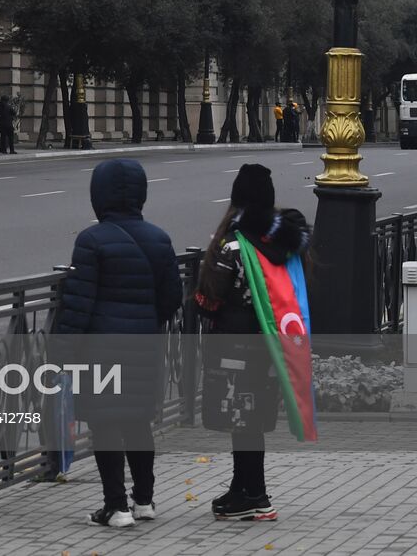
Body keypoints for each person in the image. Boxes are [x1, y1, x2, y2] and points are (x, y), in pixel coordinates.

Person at [54, 158, 183, 528]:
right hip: (144, 345)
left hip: (101, 350)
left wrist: (61, 353)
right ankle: (145, 500)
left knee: (105, 423)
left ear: (99, 194)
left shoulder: (91, 240)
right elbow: (172, 296)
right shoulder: (159, 239)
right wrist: (145, 319)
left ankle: (116, 506)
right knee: (139, 422)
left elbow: (78, 305)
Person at [195, 164, 314, 522]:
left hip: (235, 347)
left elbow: (208, 299)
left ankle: (256, 496)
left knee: (242, 422)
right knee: (251, 421)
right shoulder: (285, 244)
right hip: (273, 345)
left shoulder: (233, 246)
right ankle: (242, 487)